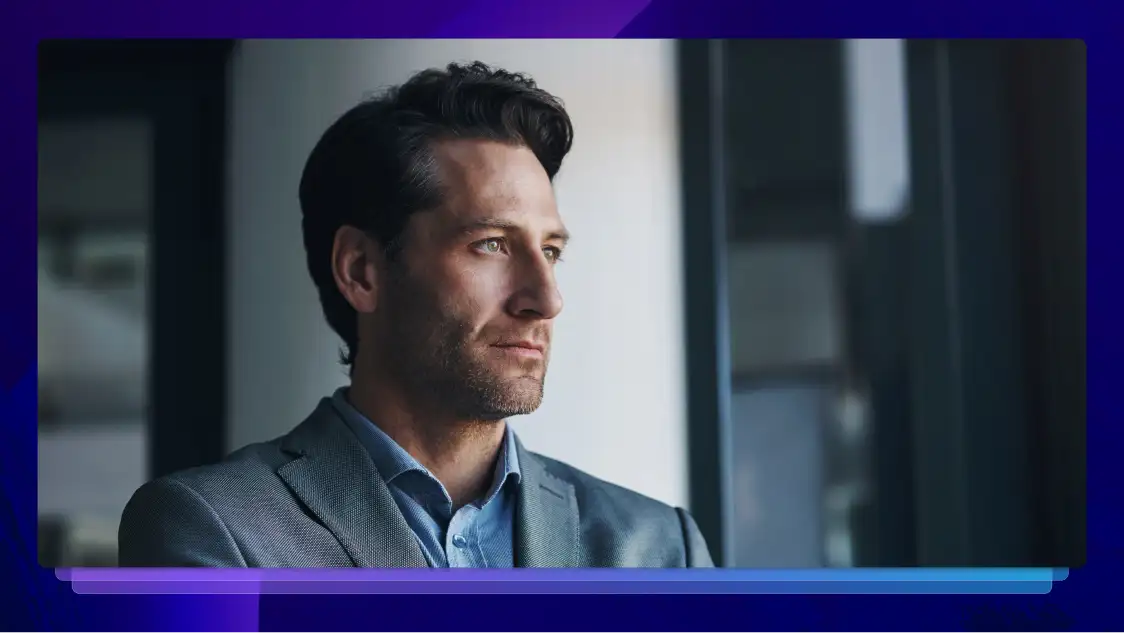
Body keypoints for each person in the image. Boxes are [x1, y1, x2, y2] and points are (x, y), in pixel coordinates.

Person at [117, 62, 714, 568]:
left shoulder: (660, 547)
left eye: (551, 251)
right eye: (492, 244)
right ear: (361, 271)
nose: (546, 298)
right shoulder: (214, 530)